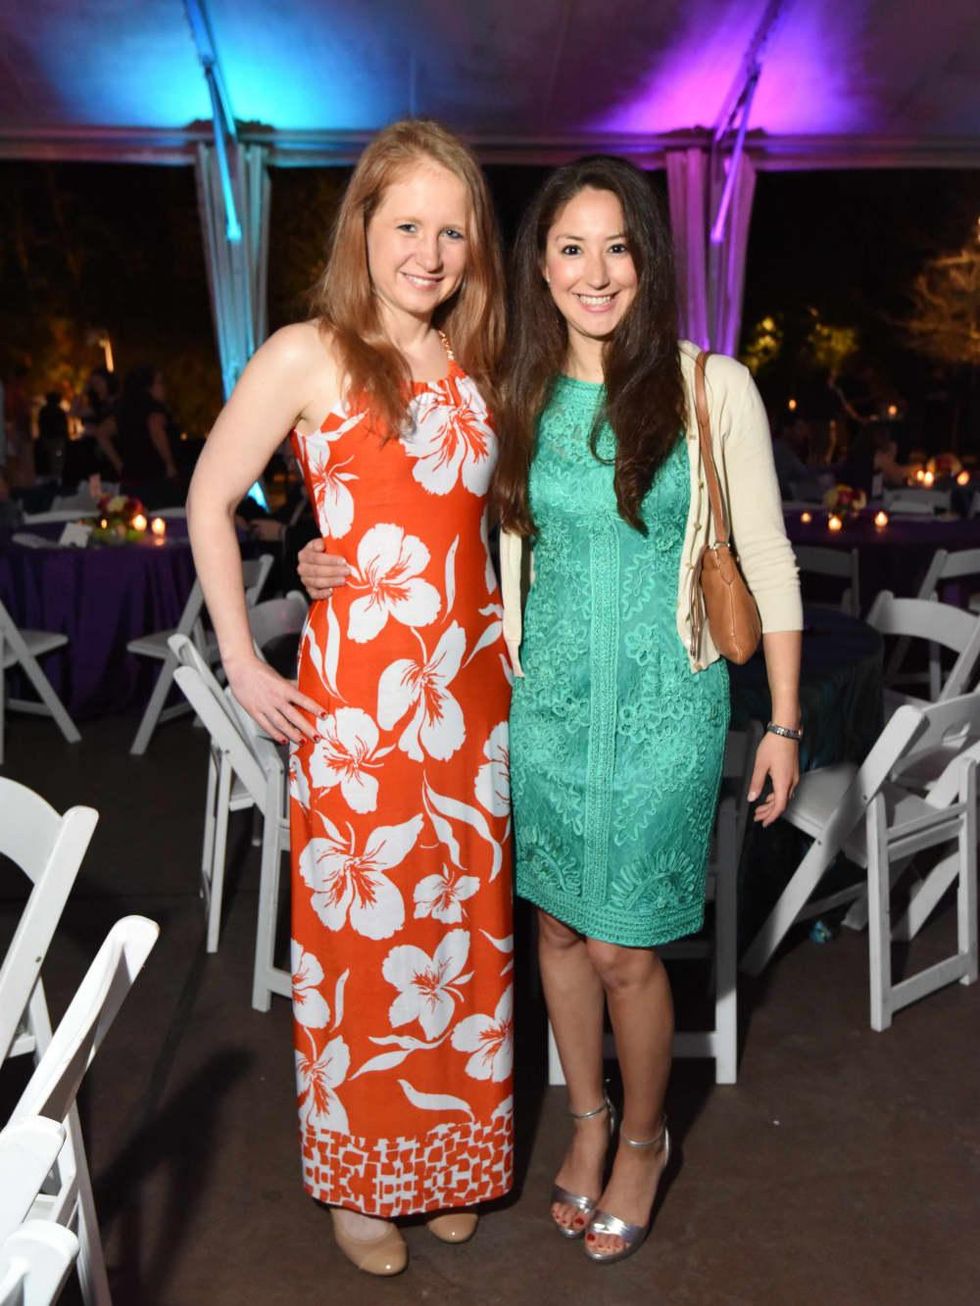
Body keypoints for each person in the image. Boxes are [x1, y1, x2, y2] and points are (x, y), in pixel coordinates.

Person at [187, 118, 513, 1278]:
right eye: (405, 224)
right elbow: (208, 499)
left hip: (471, 703)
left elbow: (484, 526)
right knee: (365, 944)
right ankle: (360, 1182)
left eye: (450, 231)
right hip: (360, 710)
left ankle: (452, 1163)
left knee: (461, 938)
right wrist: (243, 659)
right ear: (361, 226)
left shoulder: (480, 360)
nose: (427, 252)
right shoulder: (306, 352)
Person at [493, 157, 802, 1265]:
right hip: (549, 709)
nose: (595, 271)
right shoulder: (518, 391)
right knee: (556, 928)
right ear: (539, 266)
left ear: (647, 261)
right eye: (571, 248)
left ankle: (642, 1138)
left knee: (626, 946)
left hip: (669, 708)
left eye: (616, 246)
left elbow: (766, 554)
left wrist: (782, 720)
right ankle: (584, 1120)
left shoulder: (708, 387)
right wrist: (324, 558)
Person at [117, 365, 181, 506]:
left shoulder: (125, 410)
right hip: (155, 478)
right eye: (160, 383)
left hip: (131, 479)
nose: (163, 388)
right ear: (148, 387)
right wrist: (170, 464)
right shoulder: (153, 408)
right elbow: (157, 432)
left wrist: (118, 463)